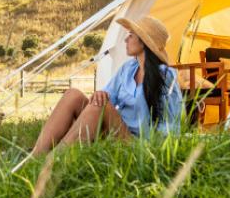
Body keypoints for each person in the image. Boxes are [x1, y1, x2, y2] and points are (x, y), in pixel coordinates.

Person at [32, 15, 183, 156]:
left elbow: (172, 125)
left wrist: (152, 152)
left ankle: (55, 159)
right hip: (114, 132)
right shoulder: (128, 69)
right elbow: (105, 96)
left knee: (102, 105)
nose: (125, 40)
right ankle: (36, 155)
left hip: (138, 145)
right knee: (73, 95)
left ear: (144, 42)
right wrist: (100, 94)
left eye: (131, 35)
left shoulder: (165, 76)